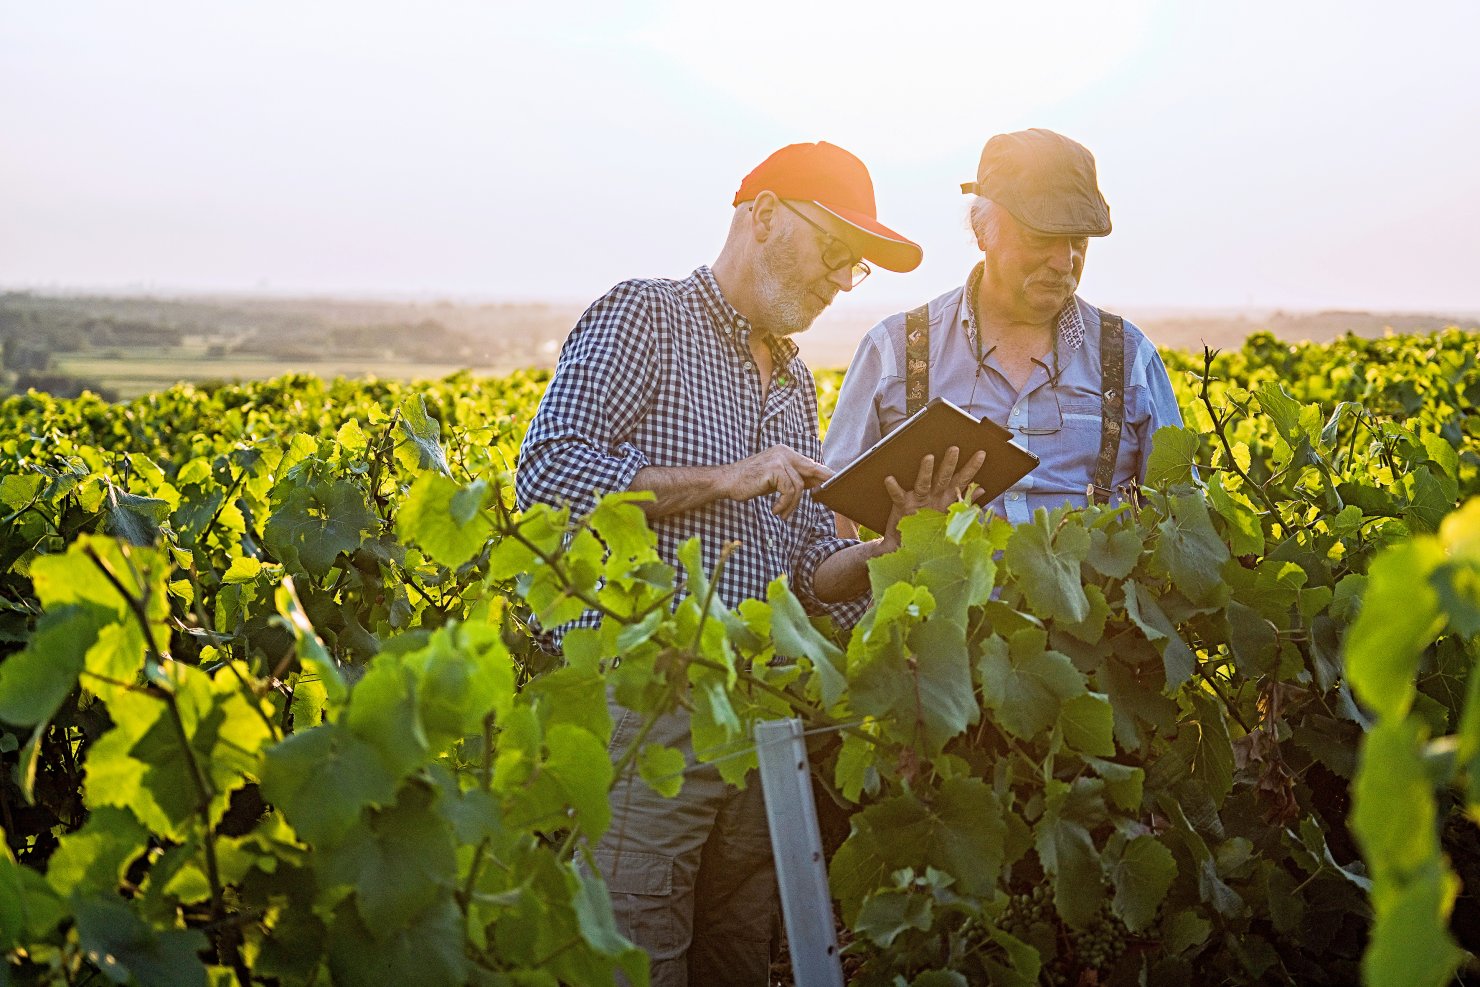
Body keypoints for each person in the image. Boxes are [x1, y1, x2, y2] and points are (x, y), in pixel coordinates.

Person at [515, 141, 983, 987]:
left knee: (735, 960)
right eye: (835, 253)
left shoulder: (796, 382)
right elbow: (549, 475)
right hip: (647, 710)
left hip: (761, 724)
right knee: (635, 960)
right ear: (765, 216)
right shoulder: (643, 316)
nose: (841, 281)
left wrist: (885, 548)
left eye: (855, 270)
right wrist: (723, 479)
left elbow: (806, 574)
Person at [823, 129, 1184, 533]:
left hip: (1096, 597)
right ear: (982, 231)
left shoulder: (1130, 357)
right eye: (1042, 237)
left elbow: (1181, 514)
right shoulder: (893, 351)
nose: (1065, 262)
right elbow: (827, 510)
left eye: (1079, 241)